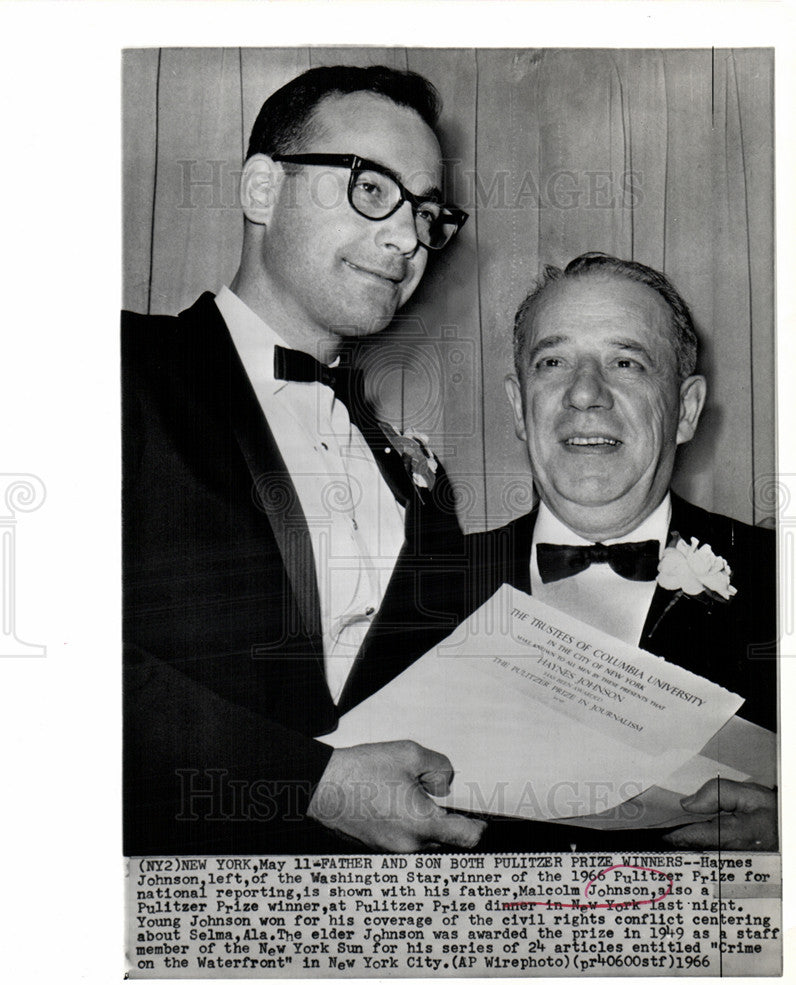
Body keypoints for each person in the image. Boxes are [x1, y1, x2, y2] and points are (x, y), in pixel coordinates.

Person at [123, 65, 485, 855]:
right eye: (371, 189)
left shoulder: (415, 471)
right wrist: (307, 783)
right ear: (262, 189)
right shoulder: (114, 365)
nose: (406, 238)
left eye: (426, 213)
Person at [469, 251, 777, 852]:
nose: (585, 393)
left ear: (685, 410)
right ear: (516, 406)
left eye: (626, 362)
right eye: (553, 362)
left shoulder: (783, 578)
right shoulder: (416, 586)